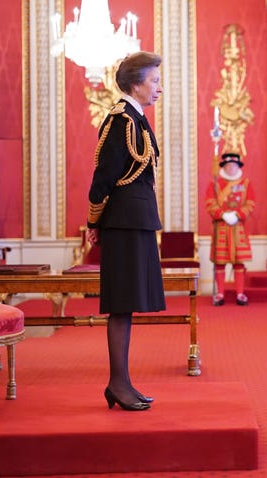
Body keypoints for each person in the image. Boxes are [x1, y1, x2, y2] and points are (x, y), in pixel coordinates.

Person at [86, 51, 165, 411]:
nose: (159, 88)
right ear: (137, 82)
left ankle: (122, 382)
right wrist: (93, 221)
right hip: (122, 222)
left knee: (127, 305)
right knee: (120, 305)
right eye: (155, 80)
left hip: (135, 220)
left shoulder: (135, 117)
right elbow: (104, 176)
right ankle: (118, 383)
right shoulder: (121, 119)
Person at [204, 152, 256, 306]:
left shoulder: (246, 184)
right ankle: (220, 294)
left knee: (239, 262)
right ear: (224, 166)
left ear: (238, 167)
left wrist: (238, 214)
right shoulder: (214, 183)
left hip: (238, 228)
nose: (231, 168)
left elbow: (251, 203)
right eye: (228, 165)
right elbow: (209, 203)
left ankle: (240, 293)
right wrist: (222, 214)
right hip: (221, 227)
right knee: (219, 262)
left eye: (234, 165)